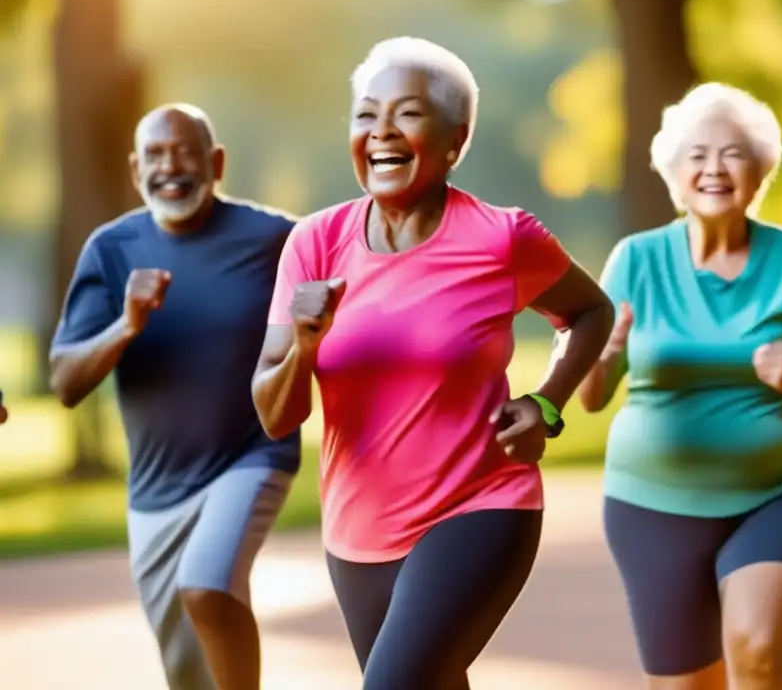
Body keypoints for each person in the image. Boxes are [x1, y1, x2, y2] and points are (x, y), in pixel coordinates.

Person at [251, 37, 614, 690]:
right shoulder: (315, 244)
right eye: (366, 114)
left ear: (456, 140)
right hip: (357, 532)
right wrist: (304, 342)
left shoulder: (502, 237)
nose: (382, 131)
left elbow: (590, 314)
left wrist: (547, 404)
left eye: (408, 113)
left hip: (481, 506)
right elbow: (276, 415)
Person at [579, 82, 782, 690]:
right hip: (651, 503)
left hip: (778, 491)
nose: (714, 168)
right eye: (697, 154)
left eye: (733, 153)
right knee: (686, 685)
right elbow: (590, 396)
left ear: (760, 171)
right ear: (673, 172)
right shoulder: (635, 259)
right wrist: (603, 354)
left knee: (759, 648)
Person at [49, 104, 300, 690]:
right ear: (136, 169)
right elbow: (65, 383)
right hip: (155, 490)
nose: (171, 167)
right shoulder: (111, 249)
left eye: (185, 151)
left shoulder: (274, 238)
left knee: (209, 583)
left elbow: (358, 268)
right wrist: (126, 325)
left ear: (215, 162)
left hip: (253, 454)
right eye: (156, 155)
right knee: (187, 672)